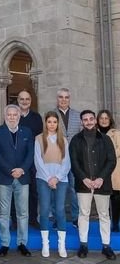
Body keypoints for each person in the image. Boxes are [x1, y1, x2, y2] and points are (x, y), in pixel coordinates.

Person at [70, 110, 117, 260]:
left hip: (101, 184)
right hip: (84, 184)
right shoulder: (76, 140)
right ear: (82, 122)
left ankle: (106, 246)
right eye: (85, 119)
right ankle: (83, 245)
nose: (89, 121)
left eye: (91, 119)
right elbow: (74, 162)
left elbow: (111, 160)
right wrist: (83, 178)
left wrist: (101, 178)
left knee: (104, 215)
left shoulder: (105, 139)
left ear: (95, 121)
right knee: (83, 214)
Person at [0, 104, 34, 257]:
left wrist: (21, 169)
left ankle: (22, 243)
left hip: (22, 177)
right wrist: (10, 170)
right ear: (5, 116)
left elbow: (30, 154)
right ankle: (5, 243)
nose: (12, 117)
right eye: (9, 115)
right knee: (3, 213)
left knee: (23, 213)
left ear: (19, 116)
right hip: (4, 177)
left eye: (15, 115)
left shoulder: (27, 132)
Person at [34, 111, 70, 258]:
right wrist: (49, 178)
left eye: (55, 122)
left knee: (60, 210)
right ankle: (45, 244)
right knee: (44, 210)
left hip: (61, 179)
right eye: (49, 122)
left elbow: (67, 162)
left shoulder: (63, 140)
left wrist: (57, 178)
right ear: (45, 123)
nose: (52, 124)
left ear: (58, 124)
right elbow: (38, 160)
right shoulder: (39, 139)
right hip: (43, 178)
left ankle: (62, 245)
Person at [54, 88, 80, 227]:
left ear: (69, 99)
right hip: (57, 158)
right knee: (57, 188)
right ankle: (58, 217)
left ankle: (76, 217)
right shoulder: (51, 115)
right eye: (61, 97)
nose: (63, 100)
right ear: (57, 99)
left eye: (66, 97)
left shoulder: (78, 115)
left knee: (74, 189)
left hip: (74, 158)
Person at [18, 90, 43, 229]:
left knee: (33, 190)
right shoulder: (13, 115)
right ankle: (16, 221)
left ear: (31, 101)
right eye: (22, 99)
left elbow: (39, 138)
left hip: (33, 159)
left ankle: (33, 219)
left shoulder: (36, 117)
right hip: (16, 159)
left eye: (27, 99)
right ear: (18, 101)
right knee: (16, 189)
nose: (25, 101)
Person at [97, 110, 120, 232]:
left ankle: (115, 223)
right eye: (101, 118)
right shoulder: (95, 134)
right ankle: (106, 221)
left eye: (106, 118)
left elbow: (119, 149)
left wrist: (107, 157)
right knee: (103, 198)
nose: (104, 120)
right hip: (99, 170)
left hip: (114, 170)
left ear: (110, 120)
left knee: (115, 198)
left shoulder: (116, 133)